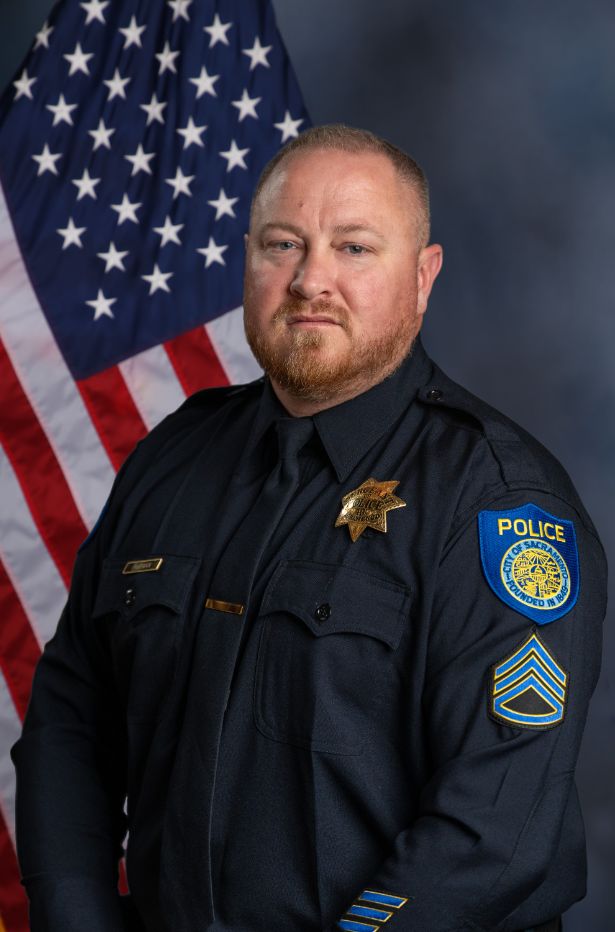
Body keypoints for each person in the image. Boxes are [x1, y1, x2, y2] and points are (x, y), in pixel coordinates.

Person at [13, 124, 606, 932]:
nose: (309, 280)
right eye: (282, 244)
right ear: (248, 260)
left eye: (354, 248)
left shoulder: (500, 507)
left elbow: (492, 834)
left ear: (423, 277)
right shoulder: (173, 459)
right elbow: (72, 721)